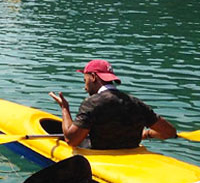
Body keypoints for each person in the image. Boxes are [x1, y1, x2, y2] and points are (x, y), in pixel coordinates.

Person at [49, 59, 177, 150]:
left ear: (93, 77)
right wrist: (146, 134)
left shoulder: (92, 103)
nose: (85, 87)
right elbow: (169, 132)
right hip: (132, 155)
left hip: (99, 158)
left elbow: (71, 141)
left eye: (85, 81)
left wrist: (65, 108)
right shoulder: (137, 103)